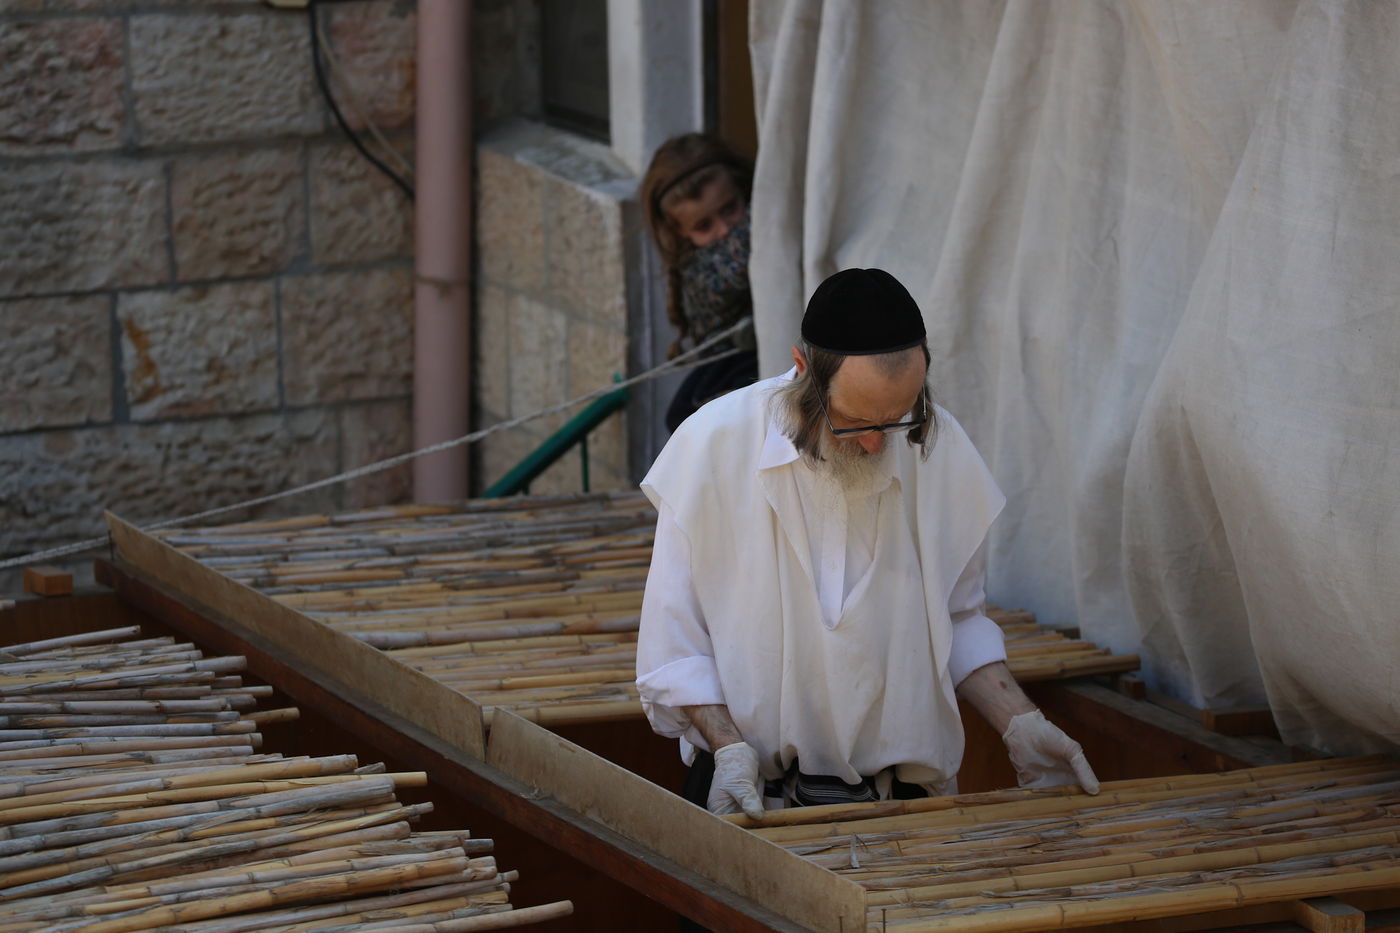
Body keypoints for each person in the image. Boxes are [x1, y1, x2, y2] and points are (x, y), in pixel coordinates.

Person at [635, 267, 1100, 819]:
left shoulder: (939, 449)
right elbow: (675, 650)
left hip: (904, 812)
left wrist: (1019, 720)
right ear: (803, 370)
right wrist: (729, 747)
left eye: (897, 419)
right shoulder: (712, 446)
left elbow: (957, 621)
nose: (878, 442)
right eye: (854, 422)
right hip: (747, 798)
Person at [640, 133, 760, 432]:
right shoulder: (702, 270)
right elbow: (740, 257)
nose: (724, 230)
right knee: (684, 420)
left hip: (751, 358)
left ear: (740, 189)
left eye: (730, 208)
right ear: (680, 231)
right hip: (732, 366)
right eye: (704, 226)